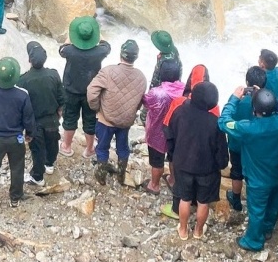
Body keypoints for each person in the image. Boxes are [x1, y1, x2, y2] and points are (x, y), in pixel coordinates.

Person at [218, 87, 278, 251]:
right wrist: (262, 93)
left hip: (258, 179)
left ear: (254, 109)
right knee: (274, 204)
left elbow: (223, 122)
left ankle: (253, 241)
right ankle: (267, 229)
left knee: (257, 210)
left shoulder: (248, 128)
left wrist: (234, 98)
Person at [167, 81, 229, 241]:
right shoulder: (215, 122)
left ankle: (183, 230)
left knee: (185, 199)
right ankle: (198, 231)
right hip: (207, 169)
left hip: (183, 164)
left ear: (192, 96)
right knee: (203, 202)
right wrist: (221, 164)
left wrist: (173, 156)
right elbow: (221, 151)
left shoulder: (179, 112)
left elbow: (170, 137)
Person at [0, 57, 35, 213]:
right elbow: (28, 118)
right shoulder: (22, 95)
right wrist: (30, 133)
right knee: (17, 167)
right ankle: (15, 197)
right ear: (15, 77)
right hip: (15, 138)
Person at [87, 40, 147, 187]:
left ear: (121, 54)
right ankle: (121, 175)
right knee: (123, 148)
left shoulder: (108, 71)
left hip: (106, 119)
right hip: (125, 121)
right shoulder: (141, 77)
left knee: (102, 147)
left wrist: (97, 108)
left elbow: (91, 92)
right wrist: (132, 111)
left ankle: (101, 176)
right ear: (136, 57)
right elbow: (140, 100)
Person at [59, 17, 111, 159]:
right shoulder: (100, 52)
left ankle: (66, 146)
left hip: (71, 90)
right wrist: (99, 35)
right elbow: (107, 46)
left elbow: (61, 49)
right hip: (92, 92)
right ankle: (89, 149)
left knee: (69, 118)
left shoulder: (69, 51)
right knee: (90, 120)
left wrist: (69, 37)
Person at [17, 42, 64, 187]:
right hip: (52, 118)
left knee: (37, 149)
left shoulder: (22, 80)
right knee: (53, 142)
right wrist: (59, 113)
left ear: (29, 60)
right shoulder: (54, 74)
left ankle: (38, 177)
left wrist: (23, 125)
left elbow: (21, 105)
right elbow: (61, 97)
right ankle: (49, 164)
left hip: (34, 121)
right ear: (45, 59)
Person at [222, 66, 267, 212]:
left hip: (236, 144)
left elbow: (226, 118)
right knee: (253, 172)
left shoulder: (238, 102)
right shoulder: (267, 102)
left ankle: (236, 200)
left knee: (236, 171)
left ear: (247, 82)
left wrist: (234, 99)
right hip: (255, 146)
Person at [142, 59, 184, 194]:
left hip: (157, 133)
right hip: (178, 133)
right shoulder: (185, 91)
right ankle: (172, 180)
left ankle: (154, 185)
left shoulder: (156, 93)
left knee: (157, 161)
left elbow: (145, 102)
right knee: (173, 157)